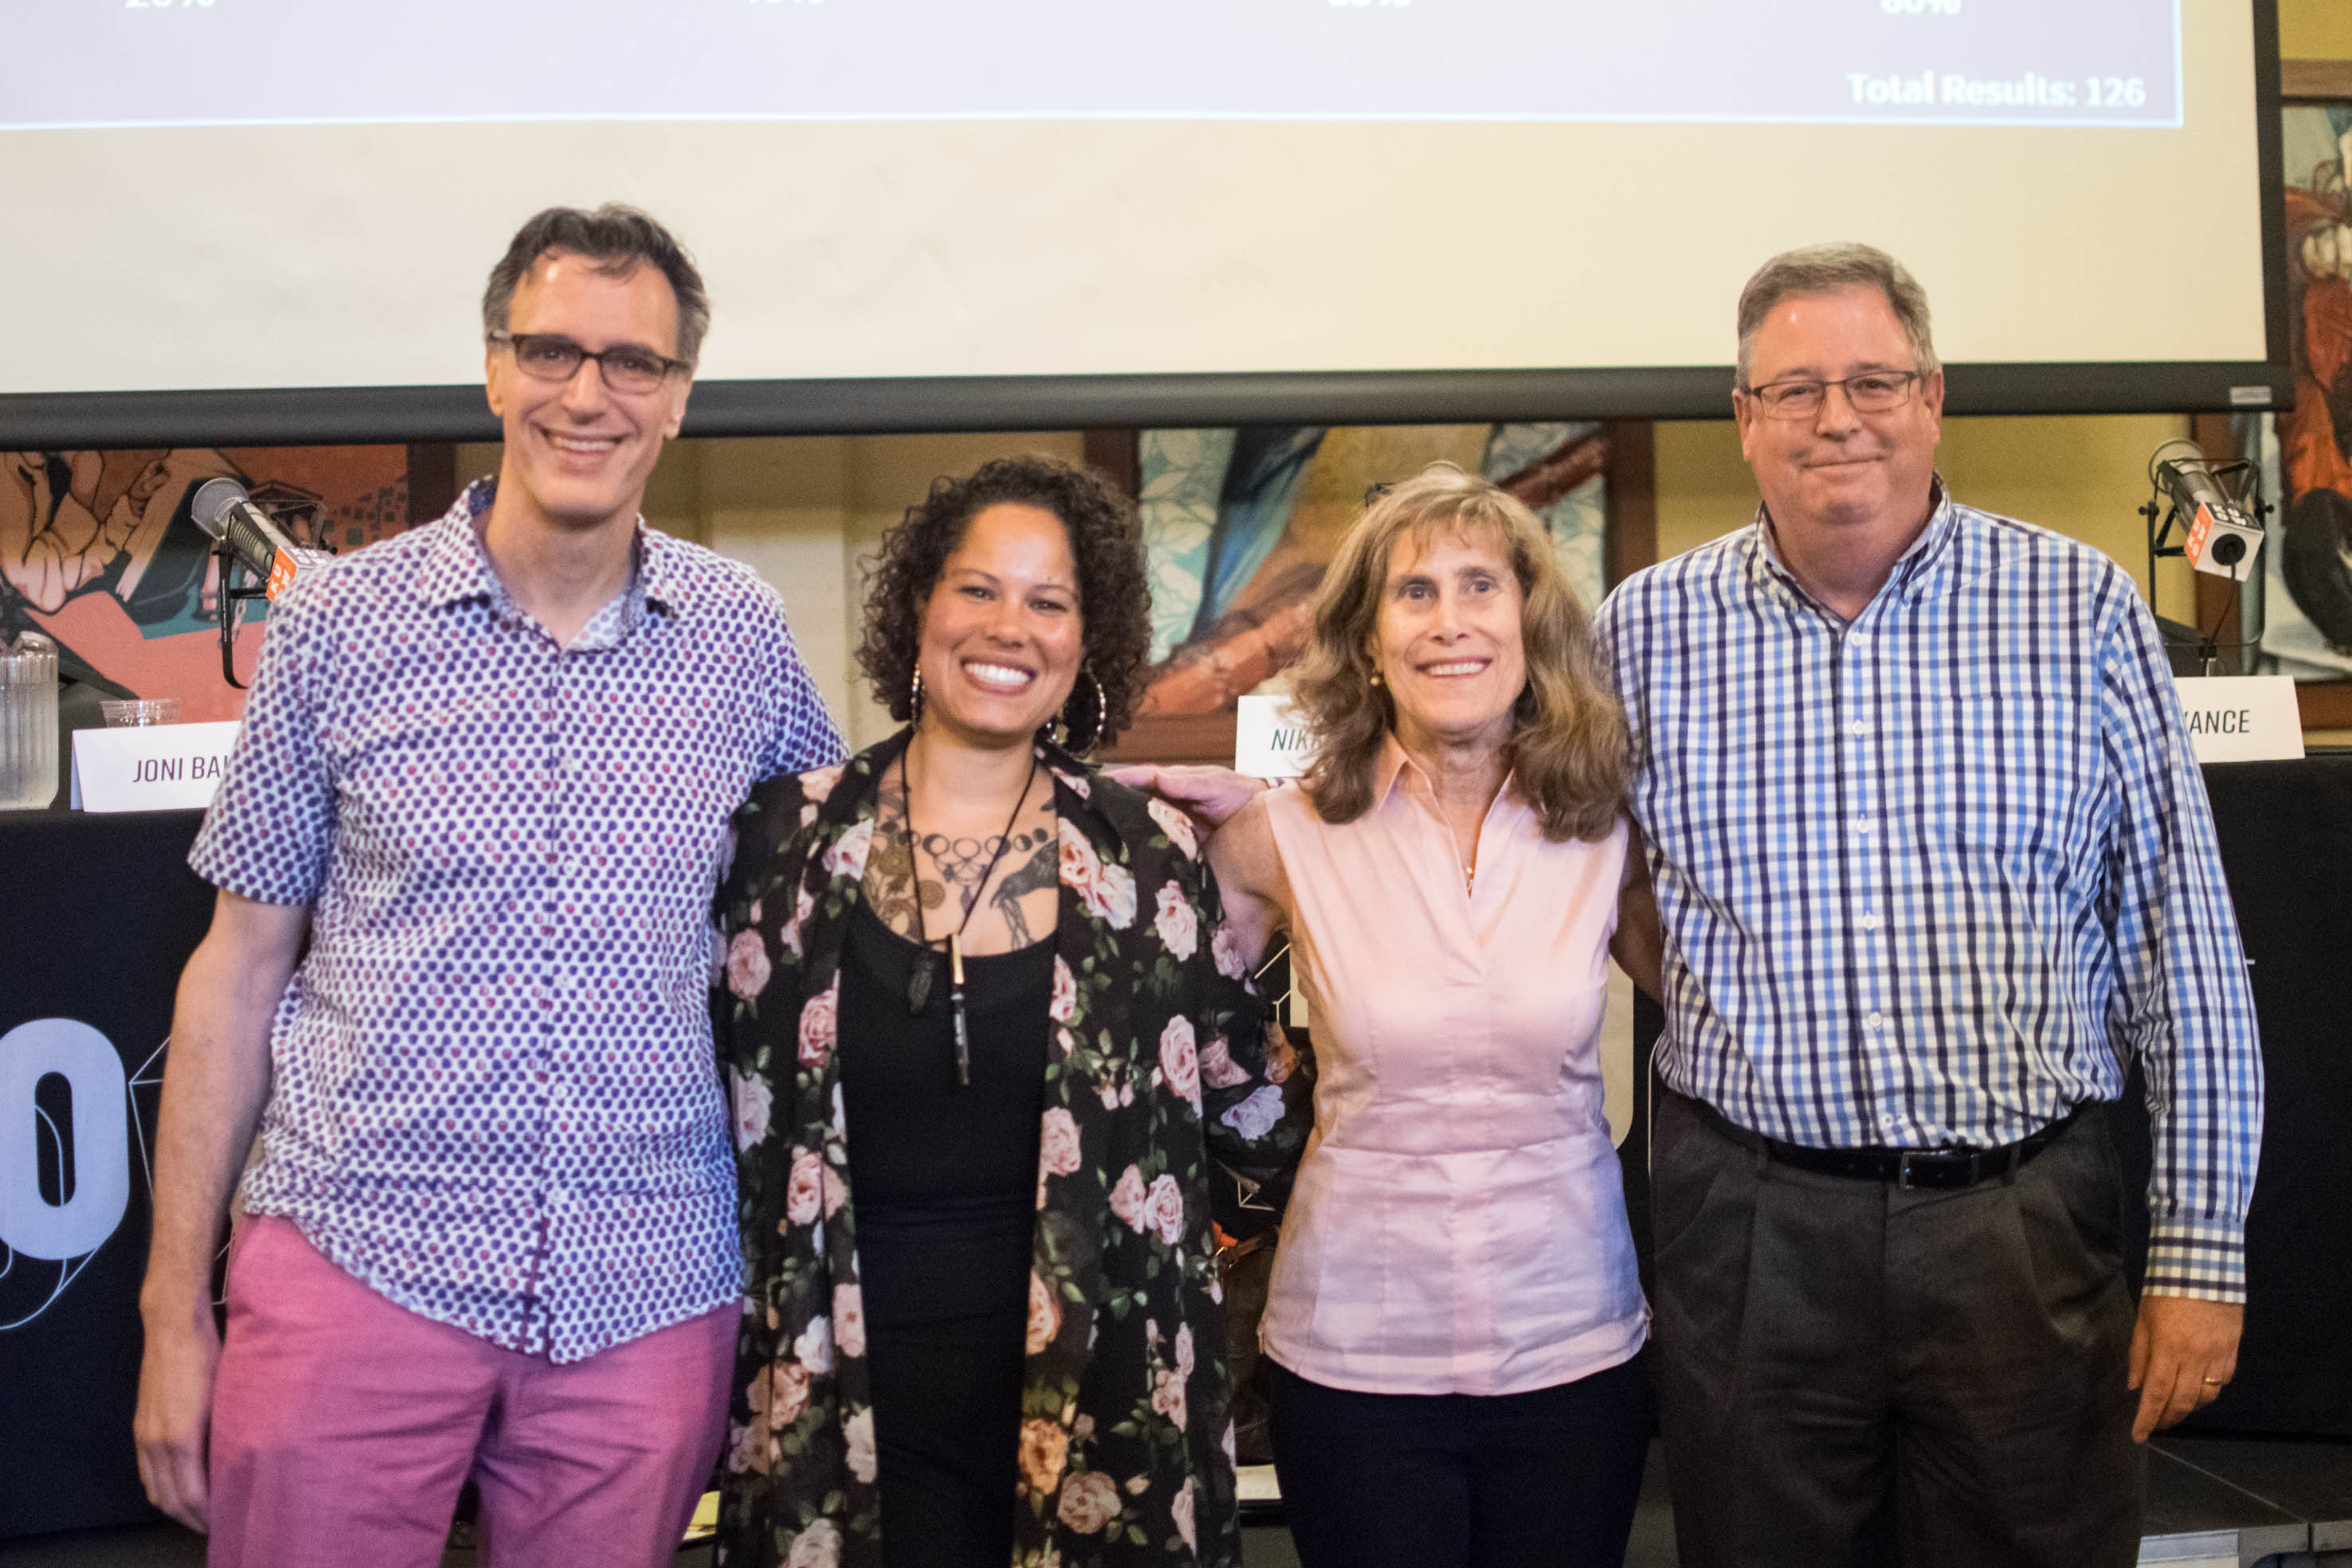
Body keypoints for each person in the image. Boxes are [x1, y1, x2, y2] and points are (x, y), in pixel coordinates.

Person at [132, 204, 845, 1567]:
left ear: (681, 397)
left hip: (648, 1288)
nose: (589, 393)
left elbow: (861, 869)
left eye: (632, 363)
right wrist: (176, 1311)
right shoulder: (339, 622)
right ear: (492, 370)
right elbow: (234, 968)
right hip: (357, 1258)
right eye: (554, 350)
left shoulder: (742, 636)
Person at [1595, 242, 2265, 1568]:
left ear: (1932, 394)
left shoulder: (2076, 608)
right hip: (1749, 1233)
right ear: (1742, 420)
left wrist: (2196, 1251)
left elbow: (2177, 941)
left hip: (2016, 1229)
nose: (1835, 416)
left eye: (1870, 380)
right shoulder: (1642, 629)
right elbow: (1605, 890)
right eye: (1791, 389)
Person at [711, 456, 1313, 1568]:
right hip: (834, 1397)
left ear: (1089, 640)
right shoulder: (780, 845)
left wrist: (1285, 869)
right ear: (919, 610)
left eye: (1049, 600)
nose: (1010, 626)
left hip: (1100, 1404)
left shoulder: (1150, 859)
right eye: (978, 588)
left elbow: (1254, 1119)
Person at [1198, 463, 1661, 1568]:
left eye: (1478, 586)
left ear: (1527, 621)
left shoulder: (1606, 828)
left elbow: (1729, 1005)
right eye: (1412, 593)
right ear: (1366, 640)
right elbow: (1170, 1028)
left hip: (1571, 1344)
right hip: (1355, 1353)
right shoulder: (1286, 832)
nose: (1448, 622)